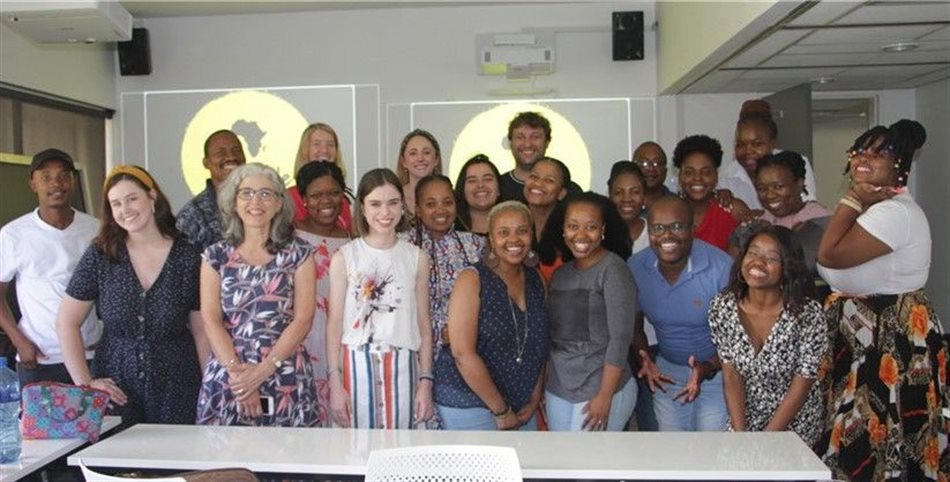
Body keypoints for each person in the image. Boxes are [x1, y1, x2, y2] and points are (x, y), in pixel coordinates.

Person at [816, 119, 949, 481]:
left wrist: (852, 198)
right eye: (860, 150)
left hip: (890, 339)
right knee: (866, 438)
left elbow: (828, 255)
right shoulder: (879, 208)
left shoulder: (894, 213)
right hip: (867, 337)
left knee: (880, 437)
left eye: (879, 153)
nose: (864, 158)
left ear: (900, 165)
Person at [57, 165, 208, 425]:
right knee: (116, 464)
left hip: (178, 386)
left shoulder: (188, 256)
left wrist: (210, 387)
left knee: (176, 464)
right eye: (116, 204)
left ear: (152, 197)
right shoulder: (101, 254)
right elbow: (66, 322)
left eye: (132, 199)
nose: (125, 210)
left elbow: (201, 329)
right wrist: (86, 384)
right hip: (116, 389)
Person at [196, 163, 318, 427]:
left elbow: (303, 319)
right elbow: (211, 320)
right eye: (246, 193)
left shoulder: (299, 254)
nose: (256, 201)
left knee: (289, 463)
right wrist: (241, 379)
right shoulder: (215, 256)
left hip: (284, 373)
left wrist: (262, 372)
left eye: (265, 194)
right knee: (225, 465)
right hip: (231, 375)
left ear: (278, 204)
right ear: (234, 202)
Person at [326, 168, 434, 429]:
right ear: (362, 207)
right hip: (355, 368)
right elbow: (334, 323)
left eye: (393, 203)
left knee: (402, 457)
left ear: (403, 206)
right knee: (355, 456)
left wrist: (425, 381)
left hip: (404, 368)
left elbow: (424, 325)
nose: (385, 213)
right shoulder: (344, 257)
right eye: (375, 204)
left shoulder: (416, 257)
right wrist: (335, 381)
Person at [434, 201, 548, 430]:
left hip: (522, 405)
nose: (514, 240)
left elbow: (539, 345)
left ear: (532, 235)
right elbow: (462, 353)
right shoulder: (472, 278)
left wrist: (535, 397)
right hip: (471, 402)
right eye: (503, 232)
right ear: (491, 240)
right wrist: (500, 409)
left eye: (522, 231)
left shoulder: (536, 280)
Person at [709, 225, 825, 447]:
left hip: (794, 423)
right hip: (744, 417)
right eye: (752, 253)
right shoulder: (722, 306)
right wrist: (741, 435)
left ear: (787, 267)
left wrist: (765, 441)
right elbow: (731, 377)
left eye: (771, 257)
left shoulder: (807, 313)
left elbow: (802, 384)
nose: (758, 262)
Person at [628, 196, 732, 432]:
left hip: (716, 373)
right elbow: (634, 327)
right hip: (668, 374)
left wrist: (706, 367)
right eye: (658, 228)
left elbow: (735, 337)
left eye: (677, 226)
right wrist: (643, 356)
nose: (667, 235)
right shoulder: (636, 267)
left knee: (710, 451)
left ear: (692, 230)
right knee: (674, 453)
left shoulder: (722, 267)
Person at [0, 149, 101, 385]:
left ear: (73, 182)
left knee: (101, 423)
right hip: (41, 359)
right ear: (33, 184)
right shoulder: (13, 234)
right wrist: (19, 341)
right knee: (43, 424)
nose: (56, 183)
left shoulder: (95, 230)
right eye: (46, 176)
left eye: (63, 176)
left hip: (91, 354)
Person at [545, 192, 637, 432]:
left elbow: (620, 339)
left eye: (591, 227)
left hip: (600, 389)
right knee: (563, 467)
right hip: (559, 389)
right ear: (563, 230)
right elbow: (554, 339)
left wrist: (605, 396)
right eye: (573, 226)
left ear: (603, 230)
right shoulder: (560, 275)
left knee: (588, 467)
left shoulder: (613, 269)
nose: (581, 235)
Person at [294, 161, 351, 426]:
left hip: (341, 345)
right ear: (303, 199)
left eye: (333, 192)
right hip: (301, 343)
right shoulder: (289, 239)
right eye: (316, 195)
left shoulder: (354, 241)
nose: (326, 201)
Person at [405, 174, 485, 364]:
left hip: (462, 353)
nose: (440, 210)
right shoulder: (402, 245)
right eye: (431, 204)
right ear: (418, 209)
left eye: (447, 202)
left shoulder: (475, 245)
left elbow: (488, 300)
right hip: (413, 354)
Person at [607, 160, 657, 431]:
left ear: (645, 195)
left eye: (635, 191)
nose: (627, 199)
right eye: (619, 191)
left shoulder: (657, 233)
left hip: (653, 342)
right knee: (617, 423)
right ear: (609, 194)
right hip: (610, 347)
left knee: (651, 422)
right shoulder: (597, 234)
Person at [719, 100, 817, 210]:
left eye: (756, 144)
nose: (748, 151)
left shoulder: (794, 164)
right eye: (740, 144)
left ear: (772, 143)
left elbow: (807, 209)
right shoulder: (728, 176)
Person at [673, 134, 748, 252]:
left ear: (716, 176)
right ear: (679, 177)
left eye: (706, 172)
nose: (697, 178)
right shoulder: (669, 211)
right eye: (689, 172)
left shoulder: (734, 210)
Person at [177, 129, 247, 251]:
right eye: (221, 153)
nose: (231, 157)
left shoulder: (260, 204)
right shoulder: (192, 214)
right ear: (206, 163)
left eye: (237, 151)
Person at [498, 111, 581, 203]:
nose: (527, 144)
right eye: (520, 137)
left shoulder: (571, 191)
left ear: (547, 142)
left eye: (535, 137)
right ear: (511, 143)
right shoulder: (496, 188)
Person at [288, 123, 353, 232]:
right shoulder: (289, 198)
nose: (324, 150)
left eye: (330, 144)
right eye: (317, 144)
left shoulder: (344, 200)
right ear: (305, 150)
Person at [530, 157, 571, 282]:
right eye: (534, 177)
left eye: (549, 180)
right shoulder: (511, 220)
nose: (538, 183)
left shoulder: (570, 230)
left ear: (562, 193)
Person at [396, 129, 443, 217]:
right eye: (413, 153)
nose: (420, 158)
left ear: (436, 159)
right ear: (403, 162)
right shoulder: (394, 198)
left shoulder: (450, 198)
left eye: (426, 153)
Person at [454, 154, 501, 235]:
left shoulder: (514, 227)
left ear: (499, 188)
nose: (480, 185)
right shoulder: (450, 230)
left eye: (487, 179)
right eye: (472, 180)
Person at [632, 142, 672, 213]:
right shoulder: (625, 205)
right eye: (644, 163)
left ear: (665, 170)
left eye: (657, 163)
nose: (651, 169)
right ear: (634, 168)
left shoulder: (678, 205)